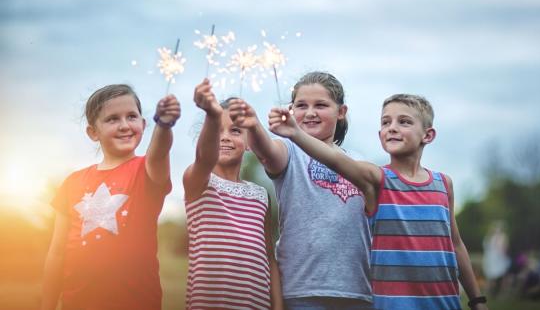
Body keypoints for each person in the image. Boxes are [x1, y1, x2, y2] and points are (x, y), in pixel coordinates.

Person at [268, 93, 488, 310]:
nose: (392, 127)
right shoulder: (376, 180)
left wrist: (476, 301)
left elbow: (456, 244)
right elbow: (335, 159)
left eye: (404, 122)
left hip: (445, 302)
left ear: (427, 135)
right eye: (386, 122)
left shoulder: (443, 184)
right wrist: (295, 134)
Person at [228, 72, 373, 309]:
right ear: (291, 110)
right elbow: (266, 151)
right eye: (301, 105)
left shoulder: (358, 161)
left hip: (357, 291)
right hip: (302, 290)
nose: (310, 112)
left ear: (342, 111)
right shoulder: (289, 150)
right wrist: (253, 126)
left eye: (321, 105)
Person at [41, 84, 181, 310]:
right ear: (93, 132)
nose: (125, 125)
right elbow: (56, 253)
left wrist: (164, 125)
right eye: (112, 119)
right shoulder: (72, 182)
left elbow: (160, 151)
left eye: (132, 116)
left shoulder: (146, 170)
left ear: (144, 125)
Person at [183, 79, 283, 310]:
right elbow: (204, 157)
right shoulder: (198, 182)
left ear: (249, 143)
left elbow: (269, 257)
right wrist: (211, 114)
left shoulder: (260, 195)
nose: (225, 137)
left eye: (235, 131)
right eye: (217, 131)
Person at [483, 221, 511, 297]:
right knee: (491, 276)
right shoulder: (491, 237)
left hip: (499, 259)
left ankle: (501, 293)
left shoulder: (502, 237)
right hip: (492, 259)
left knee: (502, 276)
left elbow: (504, 248)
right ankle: (491, 292)